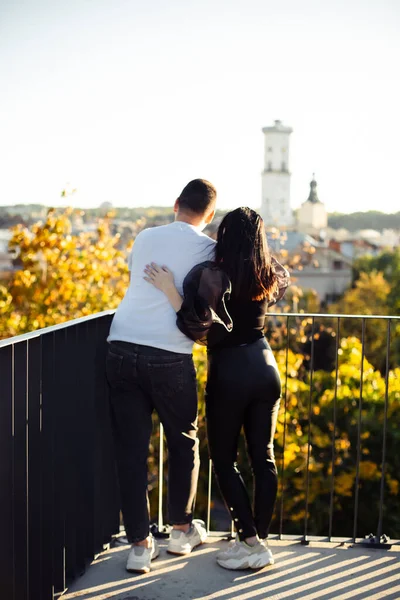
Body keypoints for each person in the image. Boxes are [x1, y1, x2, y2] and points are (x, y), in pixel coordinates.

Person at [144, 207, 289, 570]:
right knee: (264, 456)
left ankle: (252, 544)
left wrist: (166, 288)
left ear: (224, 235)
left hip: (230, 372)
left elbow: (195, 326)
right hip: (266, 366)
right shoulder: (268, 273)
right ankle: (259, 541)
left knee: (225, 460)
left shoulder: (211, 275)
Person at [106, 179, 217, 574]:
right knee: (183, 443)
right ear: (210, 215)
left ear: (175, 204)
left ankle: (139, 545)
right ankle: (181, 532)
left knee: (132, 450)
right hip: (169, 355)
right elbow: (203, 311)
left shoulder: (144, 236)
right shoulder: (211, 250)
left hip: (120, 345)